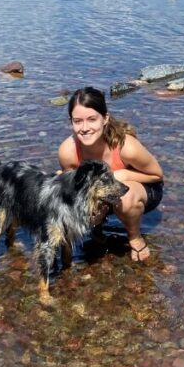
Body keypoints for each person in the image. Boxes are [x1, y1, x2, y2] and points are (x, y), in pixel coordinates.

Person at [57, 87, 164, 262]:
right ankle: (96, 229)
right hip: (102, 192)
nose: (85, 128)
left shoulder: (126, 146)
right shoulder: (67, 151)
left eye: (92, 119)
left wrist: (123, 175)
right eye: (78, 121)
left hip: (142, 189)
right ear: (71, 122)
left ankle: (135, 237)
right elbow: (74, 189)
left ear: (105, 118)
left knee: (125, 196)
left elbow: (157, 175)